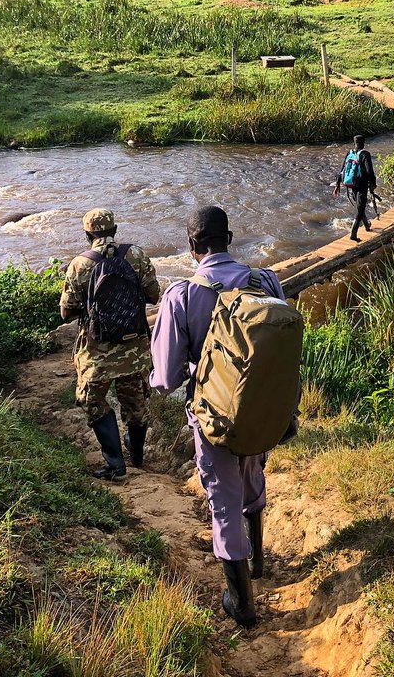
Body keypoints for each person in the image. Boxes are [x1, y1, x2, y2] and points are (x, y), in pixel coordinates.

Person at [150, 206, 286, 628]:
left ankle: (242, 604)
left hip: (214, 421)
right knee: (252, 478)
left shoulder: (181, 295)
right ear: (230, 238)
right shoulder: (264, 281)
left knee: (222, 504)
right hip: (264, 414)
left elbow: (167, 378)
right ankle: (259, 562)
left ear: (192, 246)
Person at [60, 208, 160, 481]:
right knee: (136, 404)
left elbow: (66, 312)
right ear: (115, 230)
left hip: (97, 352)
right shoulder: (136, 255)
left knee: (92, 401)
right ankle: (137, 456)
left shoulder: (80, 264)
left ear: (87, 234)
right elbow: (154, 296)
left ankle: (115, 463)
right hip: (134, 348)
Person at [334, 134, 377, 242]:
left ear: (354, 143)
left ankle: (367, 226)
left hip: (351, 185)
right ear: (363, 143)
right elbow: (370, 172)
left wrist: (337, 185)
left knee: (360, 207)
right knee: (360, 209)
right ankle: (353, 235)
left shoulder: (350, 153)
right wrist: (373, 183)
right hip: (362, 185)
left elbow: (342, 170)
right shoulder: (365, 154)